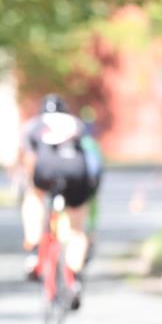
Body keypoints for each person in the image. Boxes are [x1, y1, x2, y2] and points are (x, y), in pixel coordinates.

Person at [19, 94, 102, 309]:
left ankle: (34, 249)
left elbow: (29, 160)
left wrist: (31, 186)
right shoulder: (77, 124)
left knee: (33, 199)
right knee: (76, 230)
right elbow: (92, 157)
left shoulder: (33, 125)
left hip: (47, 169)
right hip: (77, 173)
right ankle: (73, 278)